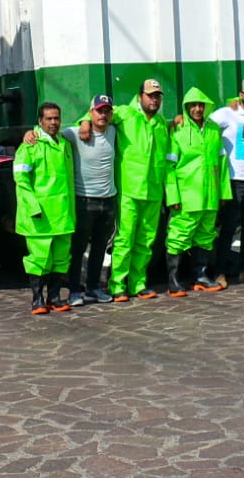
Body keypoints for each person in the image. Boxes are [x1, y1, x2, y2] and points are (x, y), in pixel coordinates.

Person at [86, 79, 172, 302]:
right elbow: (98, 116)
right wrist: (85, 123)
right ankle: (117, 284)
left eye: (157, 96)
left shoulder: (162, 124)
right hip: (129, 190)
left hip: (153, 191)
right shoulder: (124, 114)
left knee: (146, 240)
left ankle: (138, 283)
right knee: (124, 238)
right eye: (150, 95)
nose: (154, 99)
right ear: (140, 96)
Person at [163, 87, 229, 295]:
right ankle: (173, 280)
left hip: (210, 195)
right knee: (178, 236)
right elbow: (169, 167)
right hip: (187, 196)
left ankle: (200, 275)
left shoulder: (213, 130)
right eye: (193, 105)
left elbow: (222, 162)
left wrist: (224, 192)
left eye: (201, 105)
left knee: (206, 236)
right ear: (187, 107)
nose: (198, 109)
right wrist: (173, 195)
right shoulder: (178, 130)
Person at [12, 103, 76, 315]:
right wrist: (33, 207)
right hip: (40, 215)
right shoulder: (31, 146)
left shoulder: (64, 144)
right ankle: (37, 299)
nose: (53, 122)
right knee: (39, 259)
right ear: (40, 121)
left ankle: (55, 297)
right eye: (48, 118)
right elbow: (21, 179)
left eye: (56, 118)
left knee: (60, 258)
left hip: (63, 214)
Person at [62, 95, 117, 305]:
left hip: (108, 201)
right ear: (90, 112)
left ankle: (94, 288)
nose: (103, 115)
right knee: (78, 249)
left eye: (107, 111)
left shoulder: (113, 131)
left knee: (99, 249)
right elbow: (50, 134)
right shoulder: (75, 134)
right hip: (84, 202)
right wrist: (31, 134)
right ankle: (75, 291)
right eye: (99, 111)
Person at [211, 76, 244, 286]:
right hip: (234, 181)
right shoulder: (227, 114)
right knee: (227, 228)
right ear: (241, 95)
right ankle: (220, 272)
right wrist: (180, 119)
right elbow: (203, 122)